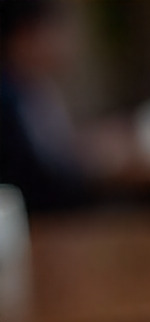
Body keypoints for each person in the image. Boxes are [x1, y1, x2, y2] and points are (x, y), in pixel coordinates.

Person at [0, 0, 98, 212]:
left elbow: (55, 149)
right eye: (55, 31)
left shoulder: (35, 86)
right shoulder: (7, 97)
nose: (65, 43)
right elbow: (33, 180)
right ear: (24, 36)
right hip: (44, 221)